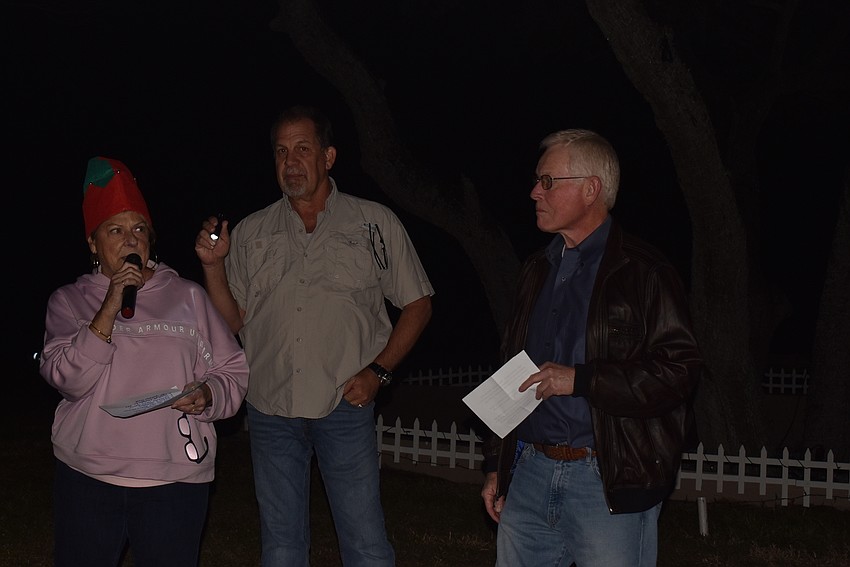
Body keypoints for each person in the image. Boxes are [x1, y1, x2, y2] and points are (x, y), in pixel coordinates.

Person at [194, 105, 434, 566]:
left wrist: (379, 373)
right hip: (270, 407)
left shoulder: (372, 224)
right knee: (280, 545)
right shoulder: (251, 232)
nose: (290, 162)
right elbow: (234, 322)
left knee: (364, 541)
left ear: (328, 156)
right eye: (281, 151)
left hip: (344, 403)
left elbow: (418, 304)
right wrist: (213, 267)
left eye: (302, 149)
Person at [480, 129, 702, 566]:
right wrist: (496, 463)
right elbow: (512, 367)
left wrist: (581, 380)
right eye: (536, 181)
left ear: (590, 189)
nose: (533, 192)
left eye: (547, 182)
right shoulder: (536, 269)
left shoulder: (644, 272)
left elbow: (679, 371)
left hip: (606, 479)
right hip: (528, 472)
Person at [39, 156, 250, 567]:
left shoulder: (189, 297)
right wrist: (109, 306)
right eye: (115, 230)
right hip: (88, 476)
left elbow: (233, 371)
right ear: (92, 243)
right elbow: (68, 378)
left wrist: (209, 393)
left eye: (139, 229)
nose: (131, 239)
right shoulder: (68, 301)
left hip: (173, 480)